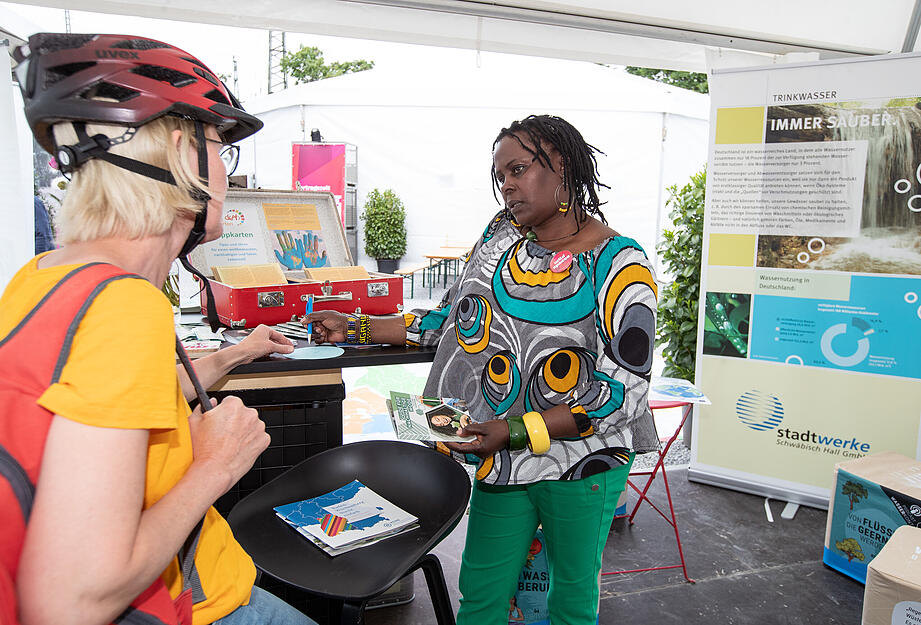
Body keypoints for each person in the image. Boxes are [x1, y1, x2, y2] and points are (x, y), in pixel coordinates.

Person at [0, 33, 314, 625]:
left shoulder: (44, 275)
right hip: (195, 608)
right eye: (221, 146)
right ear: (180, 150)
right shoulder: (122, 306)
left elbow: (91, 404)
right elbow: (68, 603)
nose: (226, 171)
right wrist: (216, 464)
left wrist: (231, 355)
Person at [305, 114, 659, 624]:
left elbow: (626, 391)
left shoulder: (620, 263)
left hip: (584, 461)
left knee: (570, 599)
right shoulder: (500, 237)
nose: (507, 187)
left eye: (518, 170)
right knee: (481, 589)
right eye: (501, 177)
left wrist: (516, 430)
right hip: (501, 457)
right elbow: (453, 319)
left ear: (561, 165)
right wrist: (356, 327)